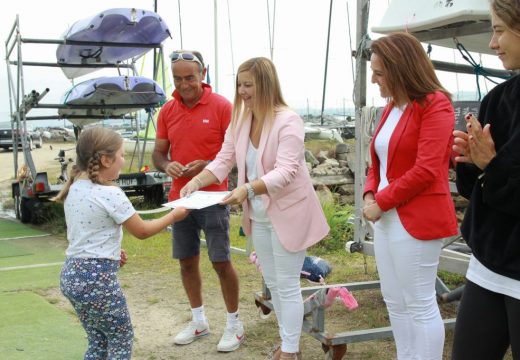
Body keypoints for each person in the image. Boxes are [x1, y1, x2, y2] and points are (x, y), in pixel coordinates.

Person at [180, 57, 329, 360]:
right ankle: (288, 343)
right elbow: (223, 161)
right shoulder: (240, 120)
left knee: (286, 284)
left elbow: (286, 171)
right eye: (239, 84)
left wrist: (247, 189)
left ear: (266, 84)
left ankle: (290, 351)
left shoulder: (288, 120)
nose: (242, 91)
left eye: (248, 84)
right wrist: (196, 181)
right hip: (259, 216)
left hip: (289, 214)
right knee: (274, 283)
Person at [53, 127, 189, 360]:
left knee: (98, 341)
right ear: (106, 160)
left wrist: (112, 253)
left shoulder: (74, 187)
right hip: (97, 281)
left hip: (72, 275)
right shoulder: (111, 193)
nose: (124, 162)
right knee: (120, 338)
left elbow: (89, 232)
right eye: (122, 155)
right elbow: (142, 231)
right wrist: (174, 216)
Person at [362, 32, 458, 360]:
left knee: (419, 304)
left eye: (379, 73)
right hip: (386, 218)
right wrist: (369, 194)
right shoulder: (391, 107)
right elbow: (376, 159)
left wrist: (381, 202)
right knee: (395, 301)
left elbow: (428, 169)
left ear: (401, 68)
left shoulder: (436, 103)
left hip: (415, 219)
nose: (374, 80)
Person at [152, 50, 244, 352]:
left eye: (189, 77)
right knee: (187, 262)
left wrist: (207, 164)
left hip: (215, 196)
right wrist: (167, 166)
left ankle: (234, 324)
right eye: (177, 79)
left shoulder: (222, 107)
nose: (184, 84)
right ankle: (198, 320)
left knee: (221, 261)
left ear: (203, 73)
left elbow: (234, 155)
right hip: (179, 199)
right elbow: (158, 154)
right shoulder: (167, 111)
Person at [451, 1, 520, 358]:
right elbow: (471, 189)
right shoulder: (497, 98)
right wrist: (467, 159)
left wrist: (490, 165)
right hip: (487, 264)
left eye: (498, 30)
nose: (492, 43)